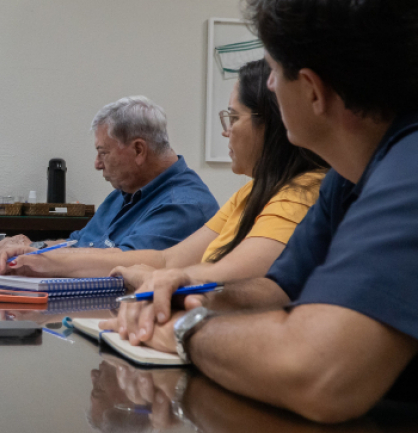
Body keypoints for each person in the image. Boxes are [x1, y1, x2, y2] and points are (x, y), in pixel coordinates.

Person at [98, 0, 418, 423]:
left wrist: (184, 331)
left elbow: (317, 372)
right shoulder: (348, 175)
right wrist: (195, 297)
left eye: (272, 70)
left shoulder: (410, 165)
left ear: (312, 90)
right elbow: (278, 290)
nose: (267, 85)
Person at [0, 60, 327, 314]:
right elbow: (168, 261)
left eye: (233, 118)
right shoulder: (250, 193)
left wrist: (143, 275)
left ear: (270, 124)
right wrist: (40, 255)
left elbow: (235, 278)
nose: (226, 132)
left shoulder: (301, 192)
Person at [0, 96, 219, 256]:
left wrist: (34, 255)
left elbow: (120, 267)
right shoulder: (124, 192)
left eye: (103, 153)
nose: (97, 164)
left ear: (139, 150)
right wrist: (34, 247)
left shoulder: (183, 206)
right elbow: (79, 244)